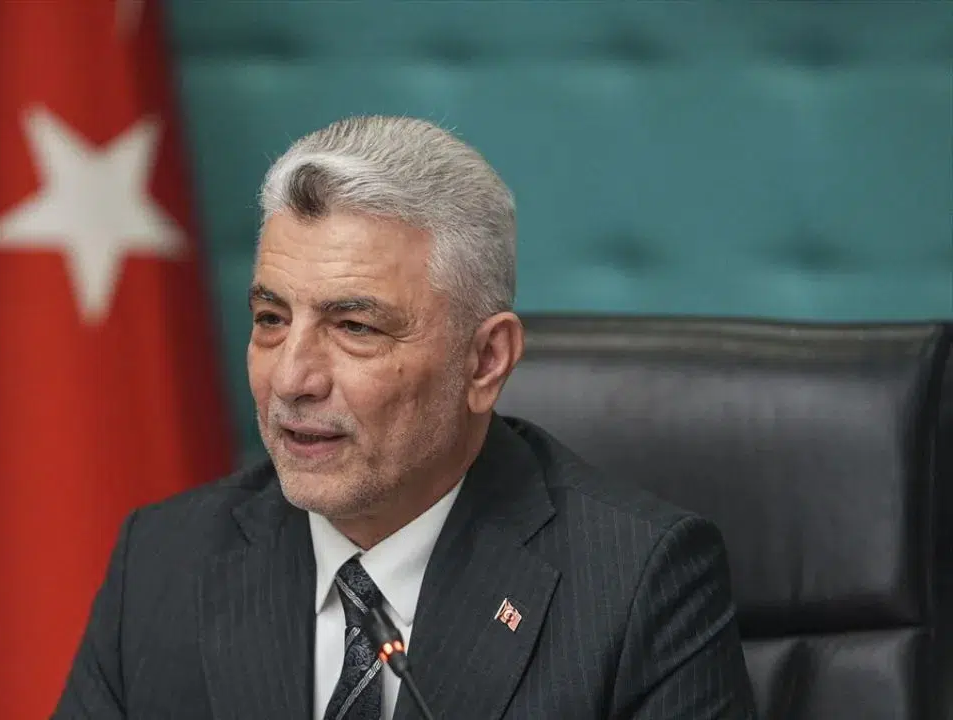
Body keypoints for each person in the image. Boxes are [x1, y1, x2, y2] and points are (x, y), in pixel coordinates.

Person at [52, 115, 757, 719]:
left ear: (485, 361)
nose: (291, 379)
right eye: (271, 319)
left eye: (354, 327)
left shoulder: (638, 585)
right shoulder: (164, 561)